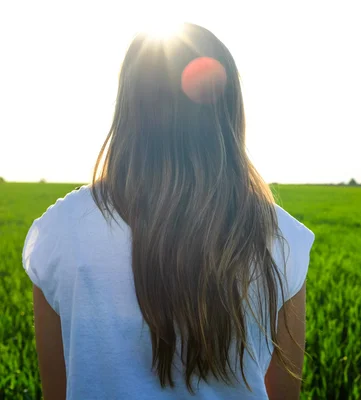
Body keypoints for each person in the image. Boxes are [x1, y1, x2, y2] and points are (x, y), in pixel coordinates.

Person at [22, 22, 314, 400]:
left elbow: (56, 393)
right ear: (228, 110)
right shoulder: (283, 238)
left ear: (129, 106)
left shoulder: (60, 233)